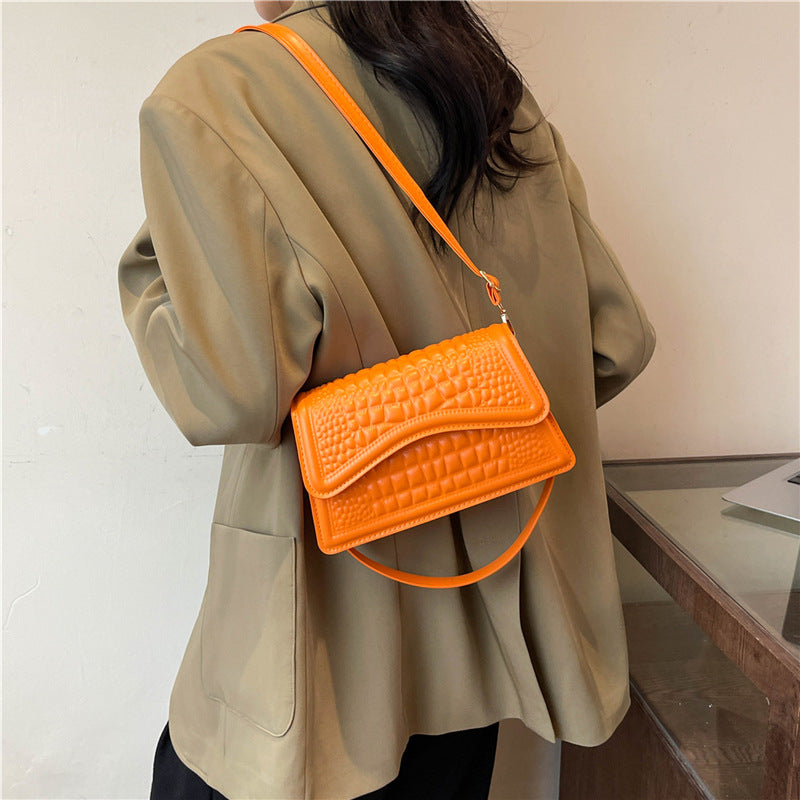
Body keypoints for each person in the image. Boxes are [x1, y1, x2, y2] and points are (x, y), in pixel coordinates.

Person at [117, 1, 657, 798]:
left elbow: (230, 391)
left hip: (318, 666)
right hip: (479, 661)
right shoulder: (490, 90)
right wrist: (470, 431)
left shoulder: (222, 90)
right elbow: (615, 341)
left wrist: (153, 272)